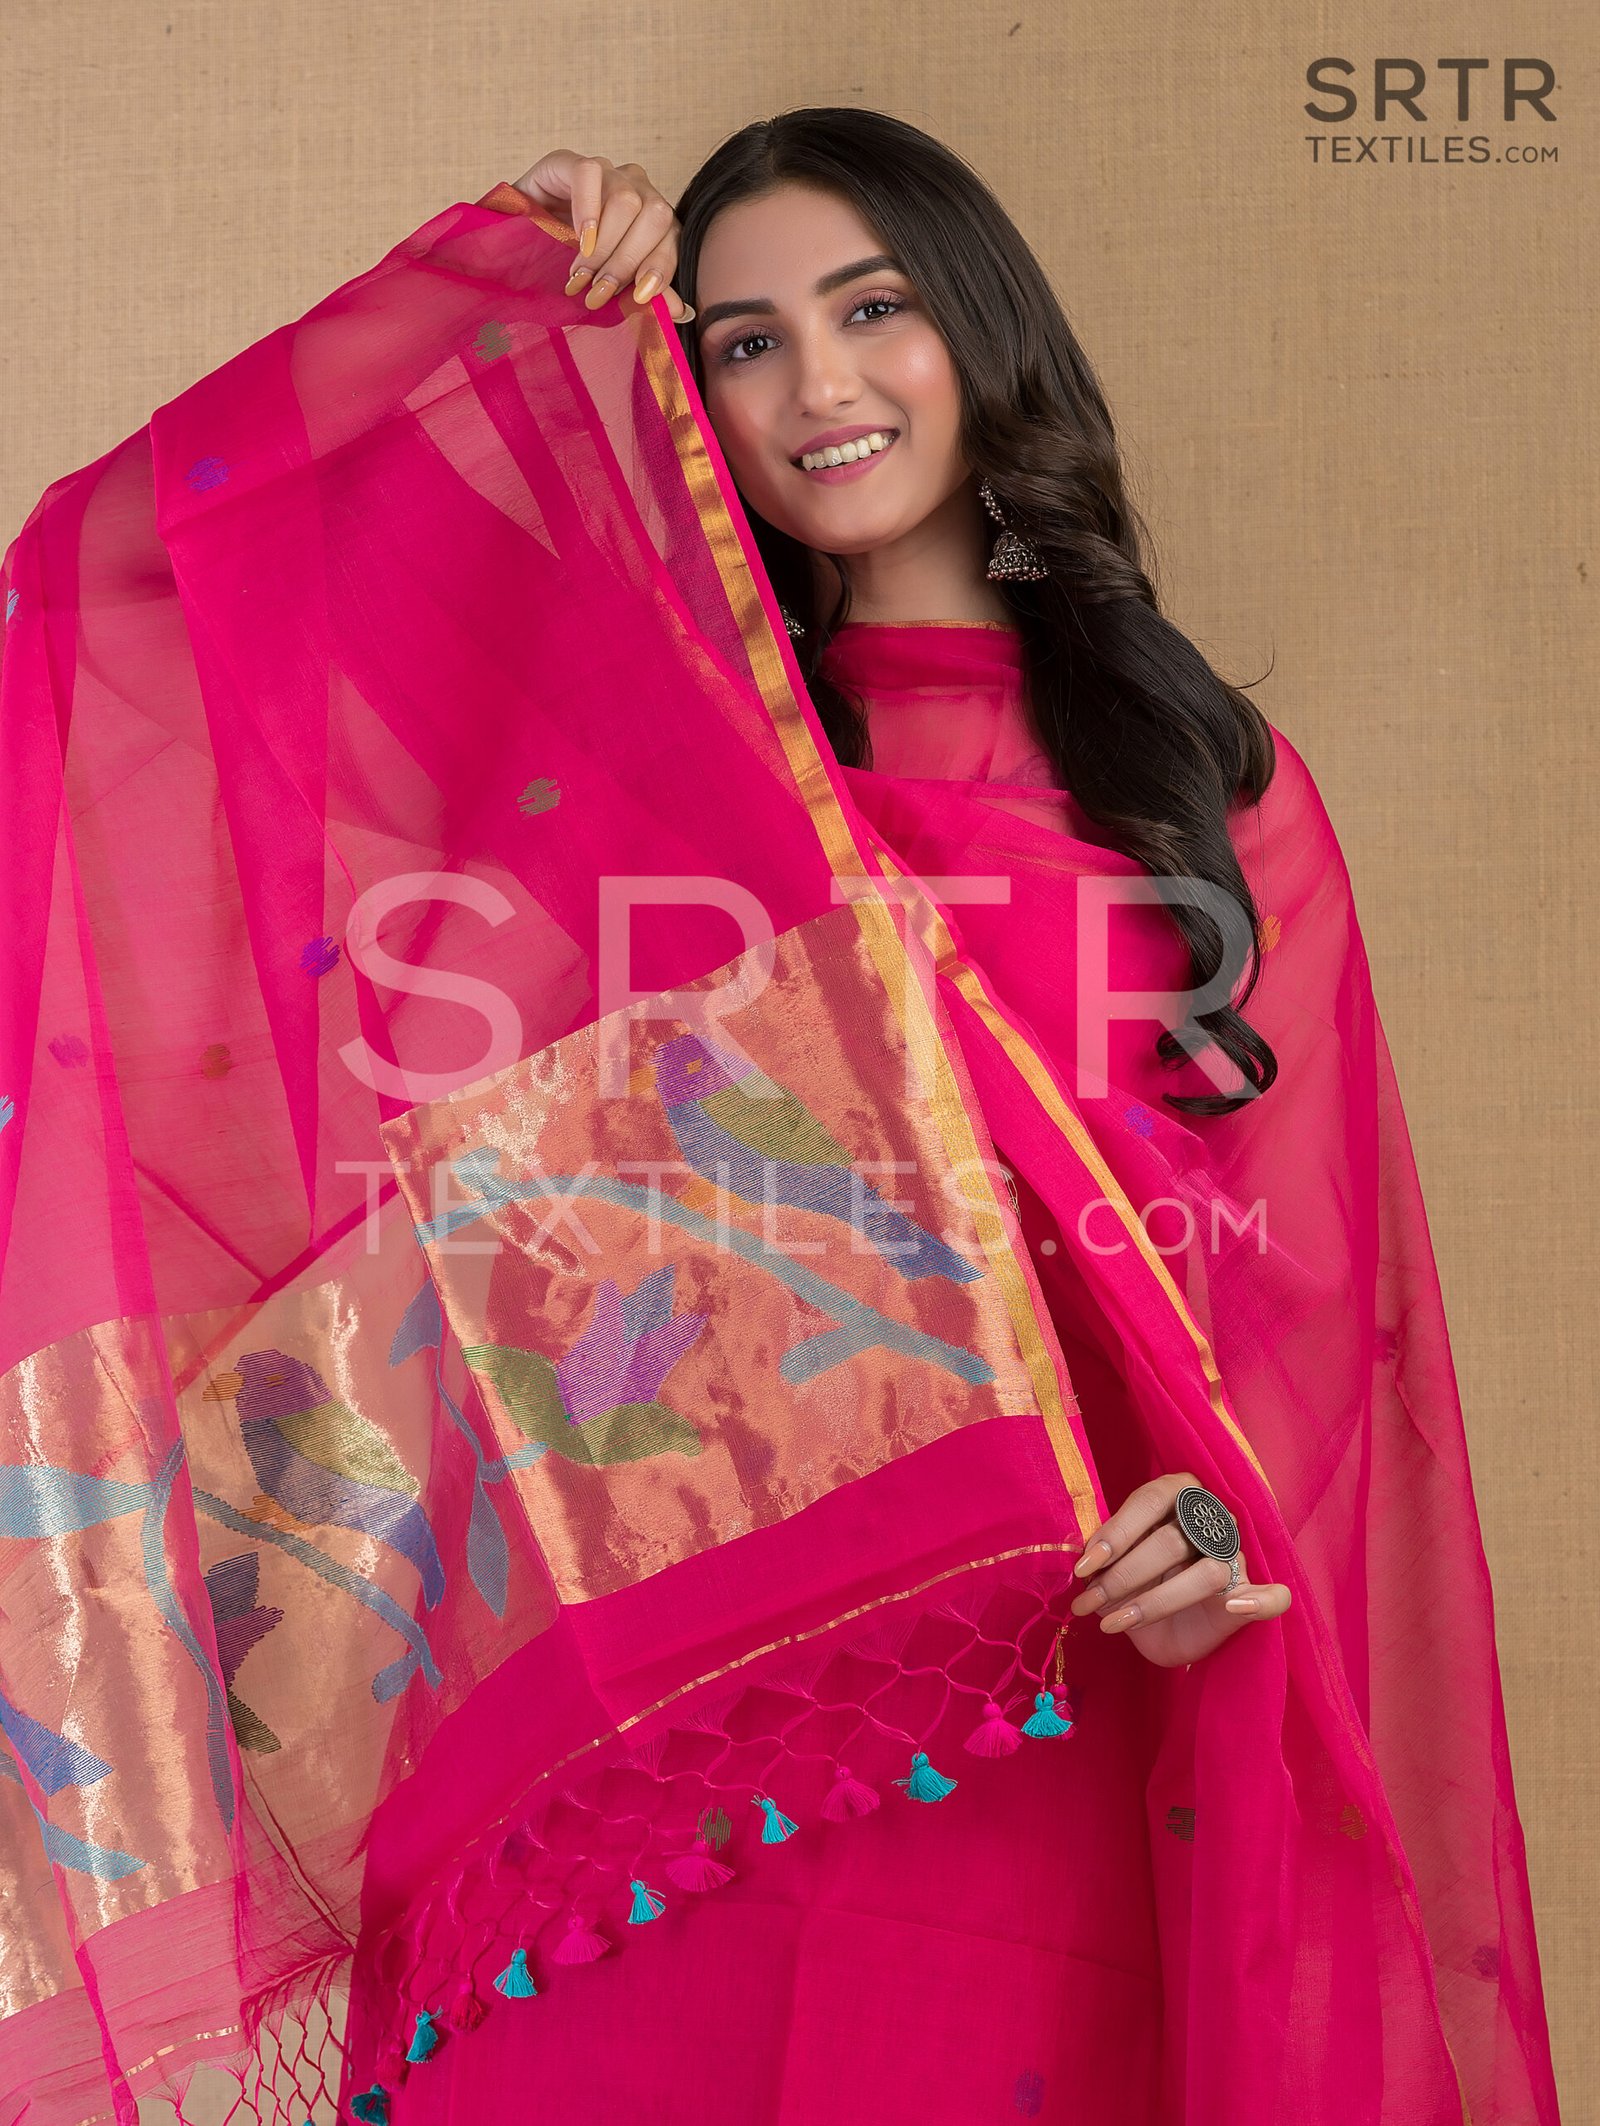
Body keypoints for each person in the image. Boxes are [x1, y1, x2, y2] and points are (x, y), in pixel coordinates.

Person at [0, 110, 1558, 2126]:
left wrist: (1206, 1535)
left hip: (1039, 1709)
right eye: (744, 340)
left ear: (981, 329)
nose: (819, 385)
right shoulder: (637, 746)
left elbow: (1293, 1299)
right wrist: (476, 280)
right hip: (661, 1766)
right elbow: (120, 572)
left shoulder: (1200, 797)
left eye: (871, 309)